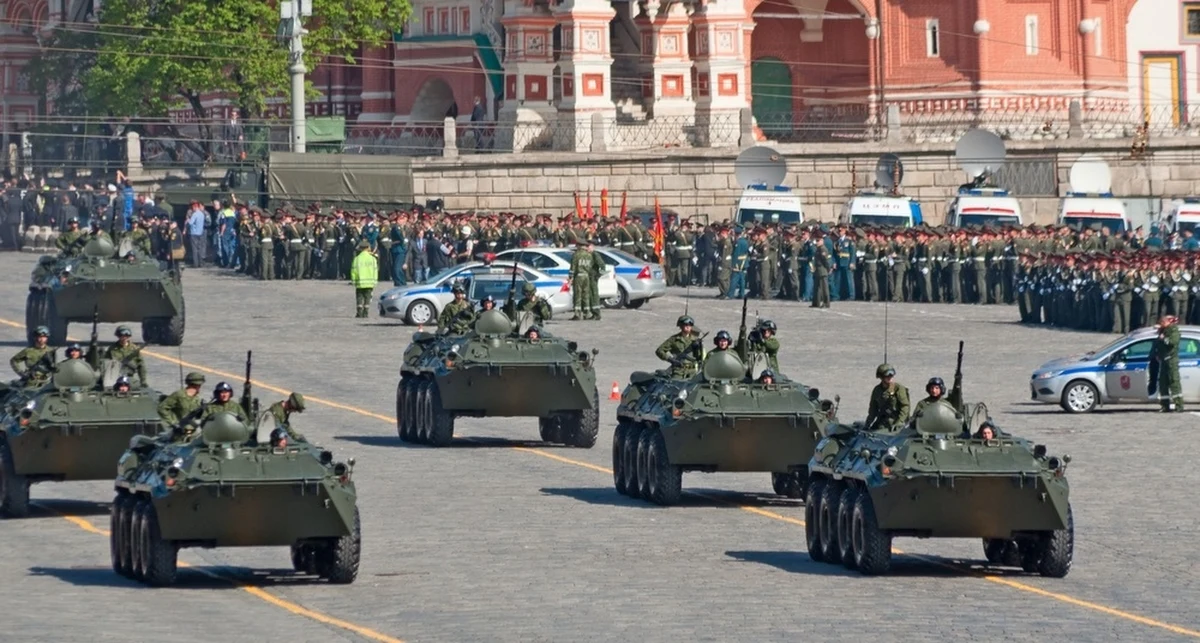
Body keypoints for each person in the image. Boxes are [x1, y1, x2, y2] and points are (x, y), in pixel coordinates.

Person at [864, 363, 910, 431]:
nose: (890, 377)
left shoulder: (898, 388)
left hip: (897, 422)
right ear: (881, 377)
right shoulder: (877, 390)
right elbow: (873, 410)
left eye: (892, 375)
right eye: (887, 375)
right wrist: (867, 424)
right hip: (882, 422)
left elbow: (905, 406)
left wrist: (899, 422)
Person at [1152, 314, 1183, 412]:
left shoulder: (1174, 331)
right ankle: (1165, 405)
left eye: (1164, 322)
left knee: (1174, 383)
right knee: (1163, 383)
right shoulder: (1164, 330)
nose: (1162, 323)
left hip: (1171, 361)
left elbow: (1172, 342)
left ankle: (1179, 406)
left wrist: (1163, 338)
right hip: (1164, 360)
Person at [569, 240, 601, 320]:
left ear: (579, 246)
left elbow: (573, 267)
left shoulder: (576, 255)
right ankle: (587, 313)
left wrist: (571, 277)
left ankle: (577, 314)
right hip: (586, 276)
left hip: (579, 276)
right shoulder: (589, 255)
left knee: (578, 295)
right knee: (586, 295)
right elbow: (590, 267)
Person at [349, 239, 378, 318]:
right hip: (370, 282)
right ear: (368, 247)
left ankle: (359, 312)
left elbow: (353, 271)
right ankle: (366, 313)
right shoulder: (373, 259)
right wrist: (375, 281)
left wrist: (353, 280)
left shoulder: (357, 259)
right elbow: (375, 271)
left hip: (360, 282)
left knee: (359, 297)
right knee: (367, 298)